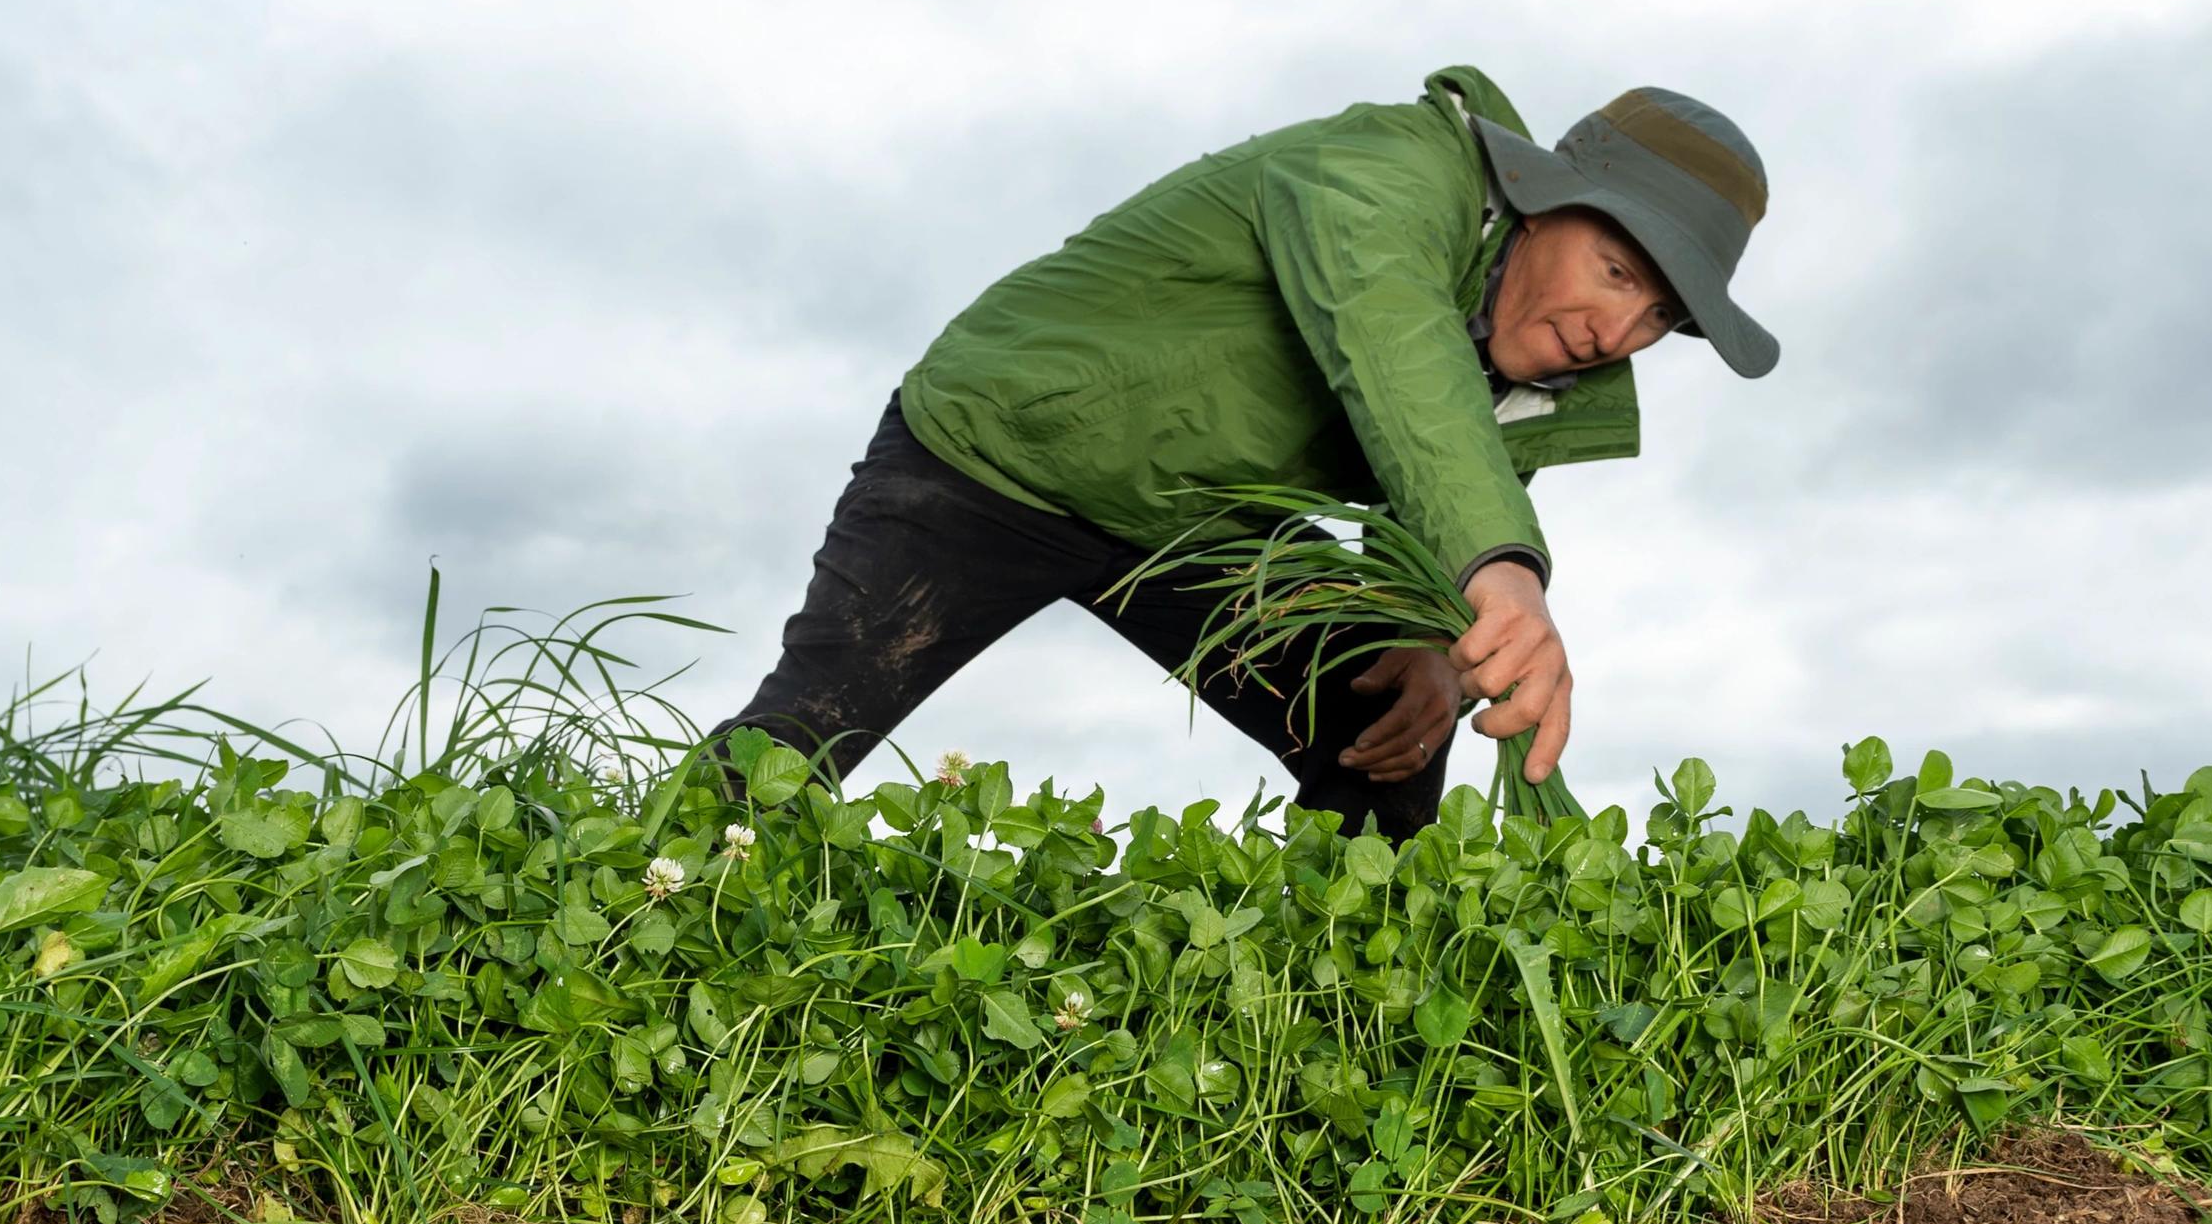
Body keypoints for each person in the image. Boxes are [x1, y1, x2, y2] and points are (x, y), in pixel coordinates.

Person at [706, 66, 1777, 833]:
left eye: (1656, 321)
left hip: (1205, 521)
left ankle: (1317, 1039)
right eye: (1619, 275)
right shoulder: (1394, 168)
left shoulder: (1538, 375)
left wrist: (1425, 639)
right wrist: (1505, 573)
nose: (1615, 333)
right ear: (1548, 199)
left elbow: (1436, 484)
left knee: (1394, 716)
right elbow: (1394, 349)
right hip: (1001, 452)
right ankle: (621, 908)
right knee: (792, 748)